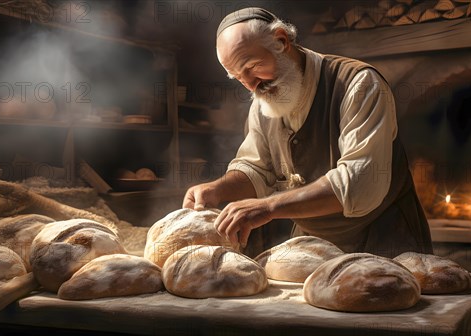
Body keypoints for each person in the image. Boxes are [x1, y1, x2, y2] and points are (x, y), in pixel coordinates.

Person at [182, 7, 433, 258]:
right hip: (311, 249)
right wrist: (217, 189)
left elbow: (359, 182)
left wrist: (269, 206)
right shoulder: (262, 101)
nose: (250, 85)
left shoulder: (358, 84)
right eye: (237, 76)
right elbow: (256, 169)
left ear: (281, 41)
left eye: (252, 66)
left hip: (383, 243)